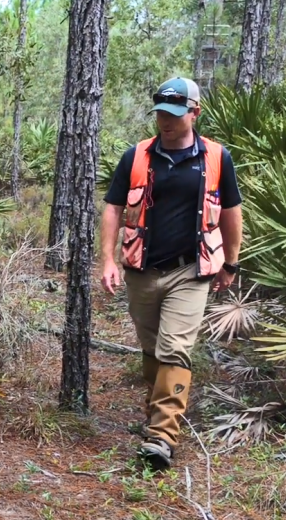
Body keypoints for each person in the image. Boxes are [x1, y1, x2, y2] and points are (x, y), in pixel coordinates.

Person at [100, 77, 243, 469]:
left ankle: (162, 436)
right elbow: (113, 207)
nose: (165, 120)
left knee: (175, 348)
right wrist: (108, 260)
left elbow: (231, 212)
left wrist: (230, 262)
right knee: (151, 350)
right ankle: (155, 417)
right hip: (142, 270)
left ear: (195, 113)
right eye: (161, 113)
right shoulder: (137, 156)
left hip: (191, 271)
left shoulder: (216, 158)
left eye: (175, 114)